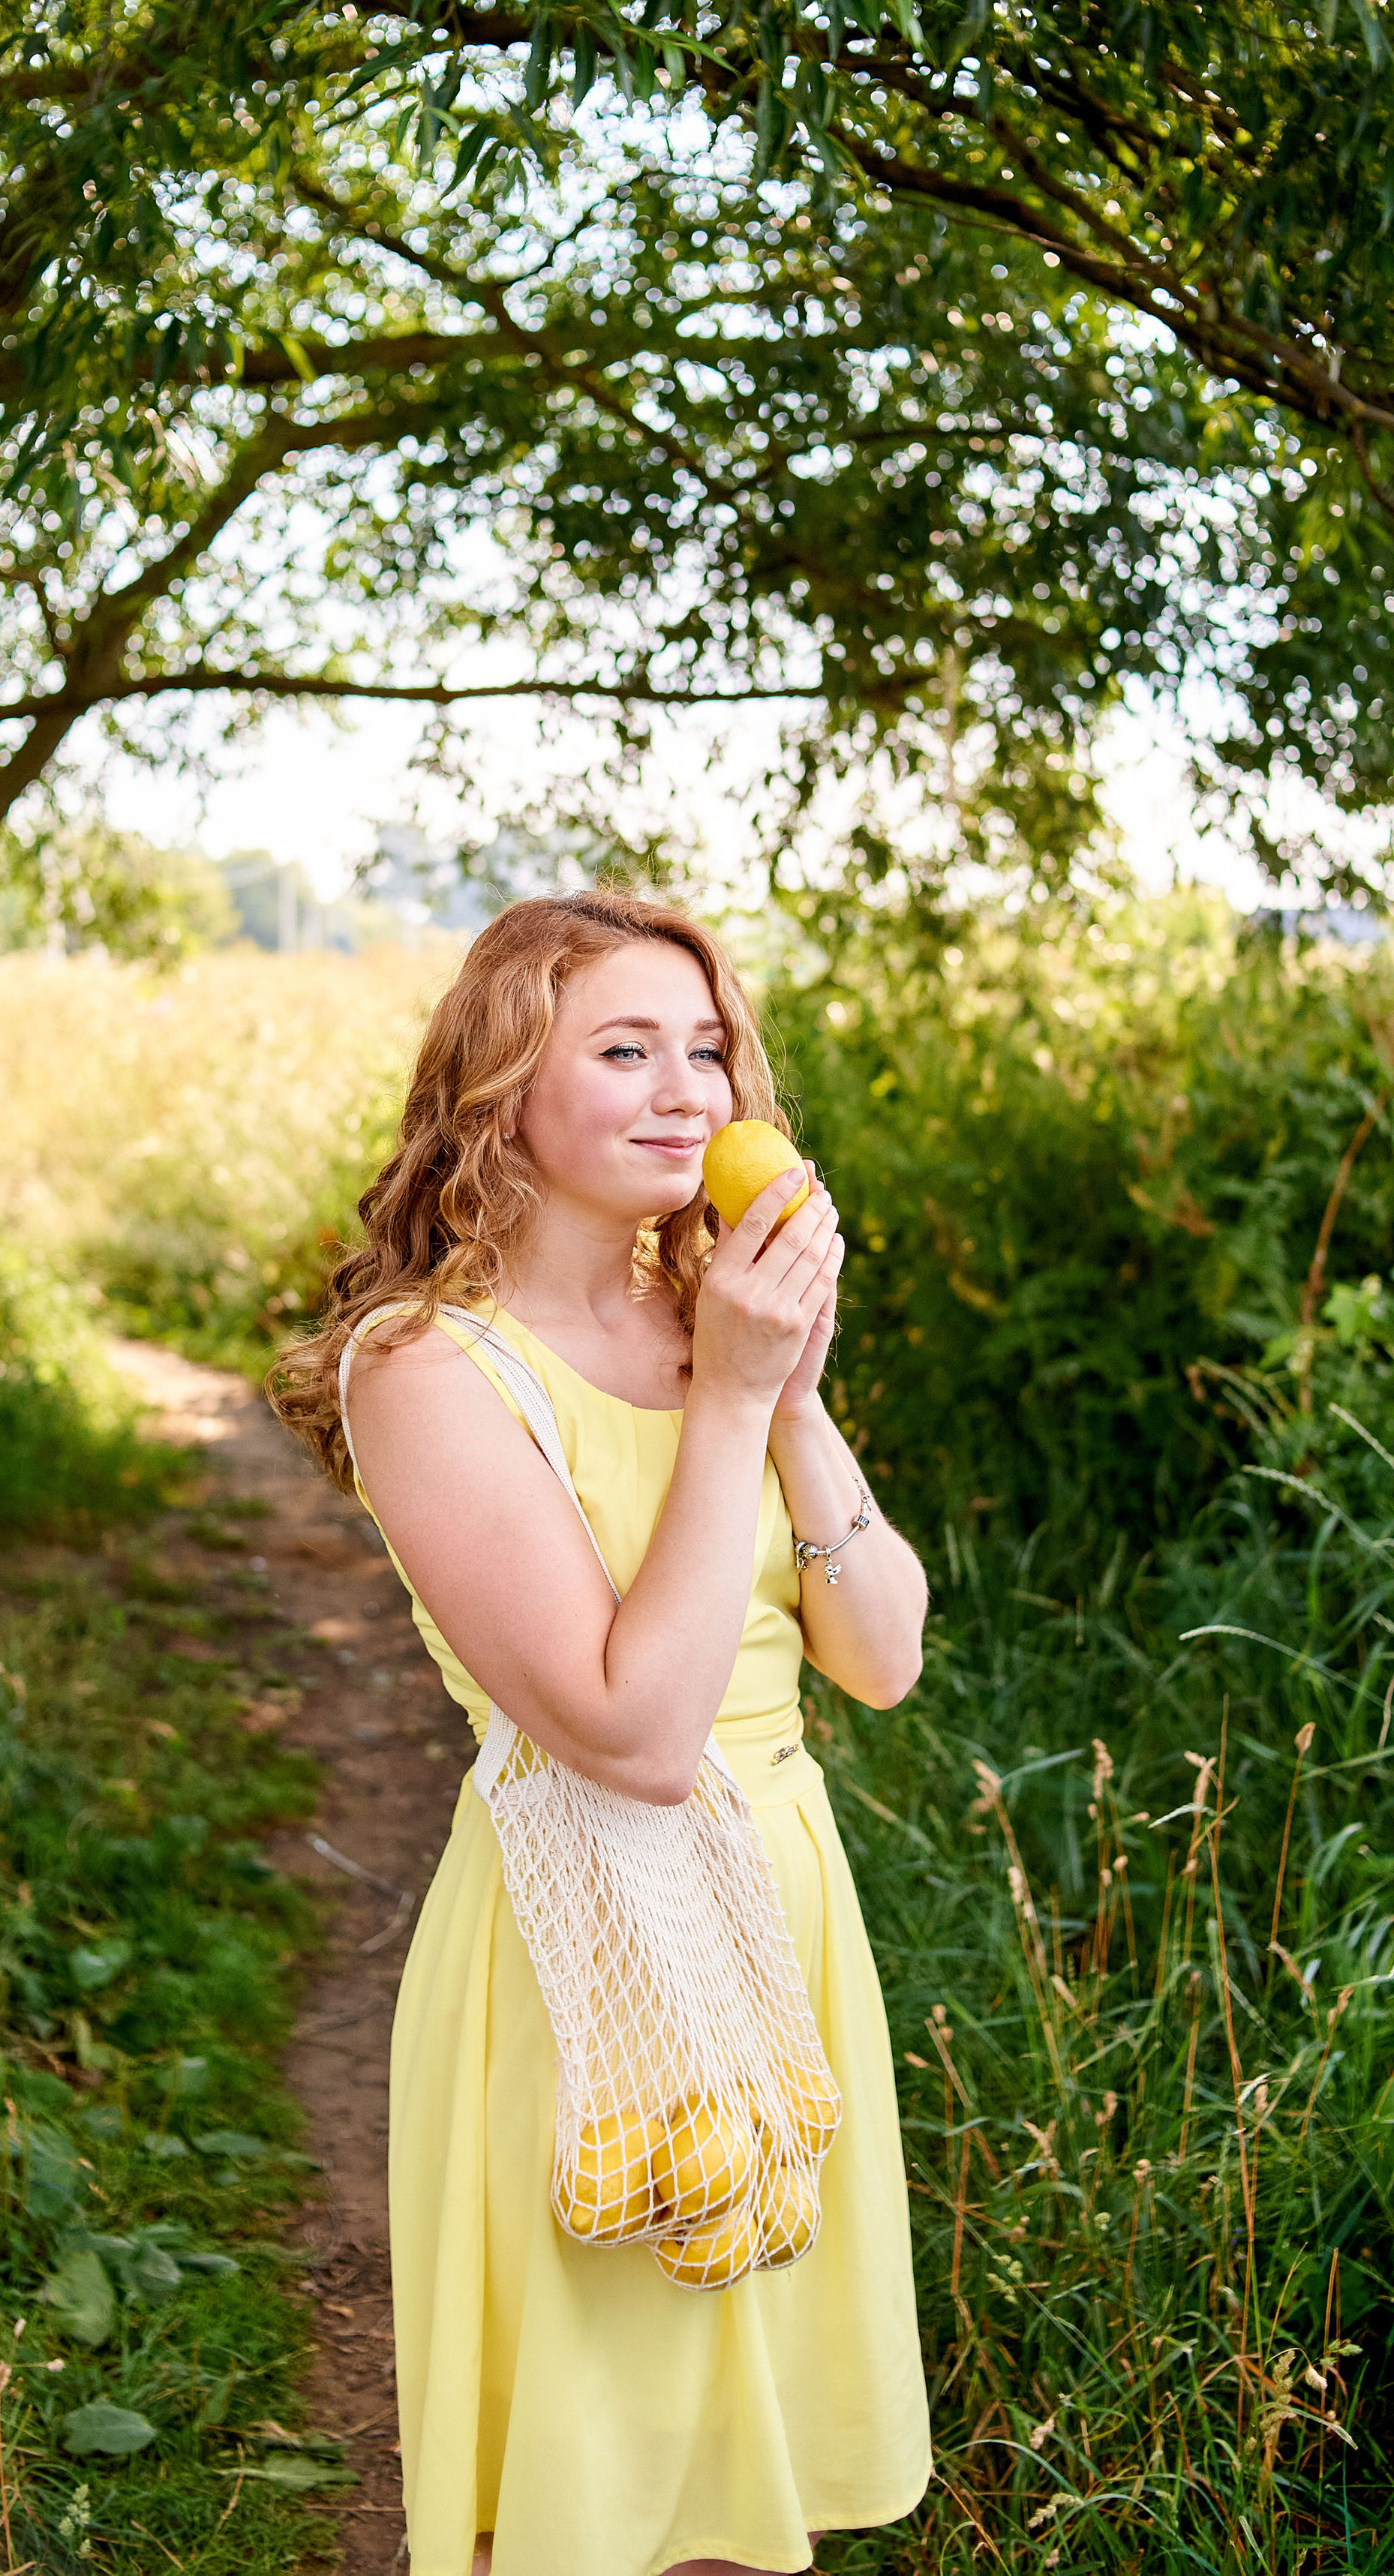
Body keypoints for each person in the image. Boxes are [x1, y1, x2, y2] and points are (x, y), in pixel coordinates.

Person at [271, 887, 931, 2576]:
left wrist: (787, 1398)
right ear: (501, 1094)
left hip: (782, 1912)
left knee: (739, 2506)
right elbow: (634, 1737)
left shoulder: (707, 1319)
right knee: (592, 2505)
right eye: (622, 1049)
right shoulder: (426, 1370)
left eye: (705, 1051)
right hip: (585, 1951)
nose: (683, 1092)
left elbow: (879, 1655)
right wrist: (727, 1395)